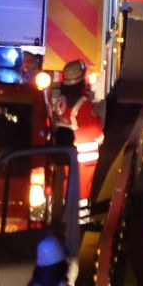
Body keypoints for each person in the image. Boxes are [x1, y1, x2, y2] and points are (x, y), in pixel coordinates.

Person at [47, 59, 103, 216]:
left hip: (63, 155)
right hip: (83, 161)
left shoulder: (61, 101)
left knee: (62, 191)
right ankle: (81, 228)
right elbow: (96, 132)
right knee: (81, 196)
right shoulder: (84, 104)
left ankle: (61, 220)